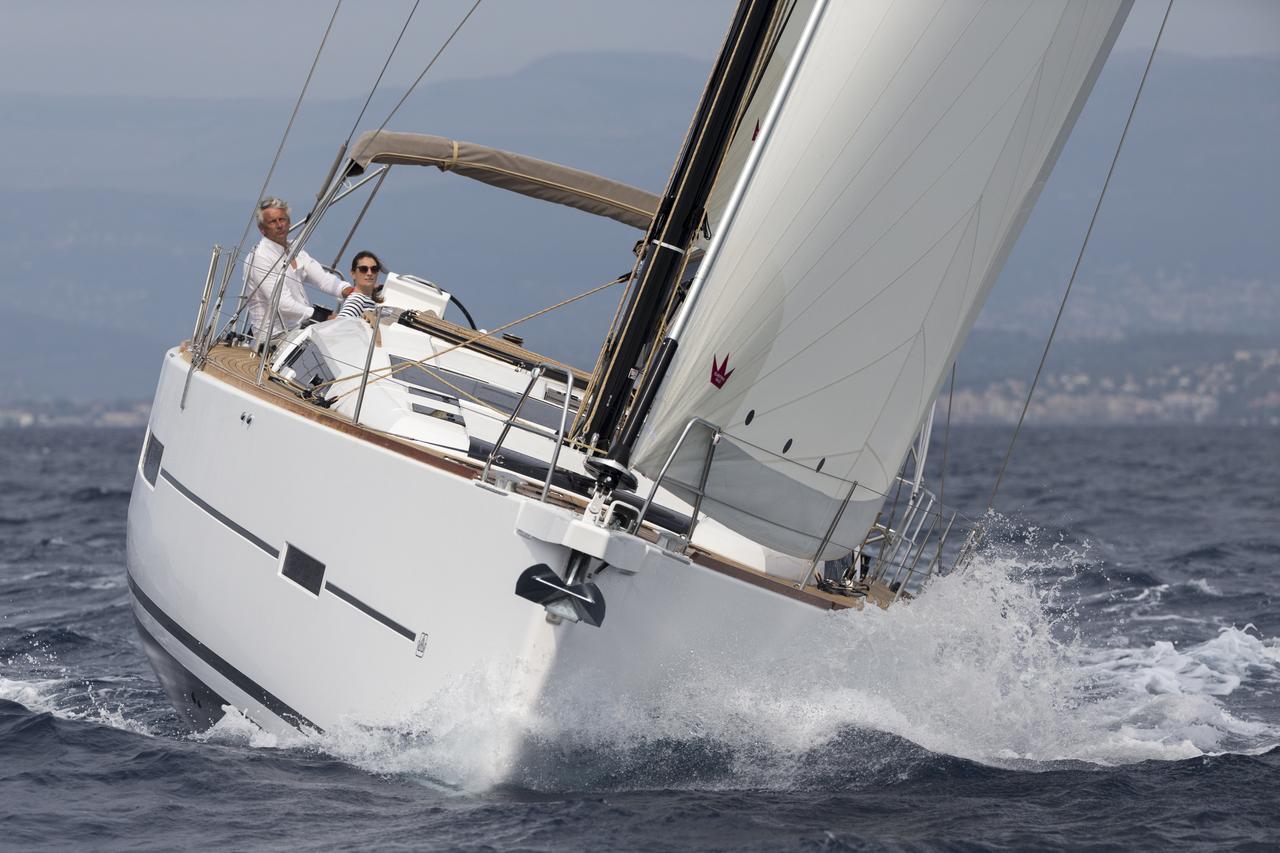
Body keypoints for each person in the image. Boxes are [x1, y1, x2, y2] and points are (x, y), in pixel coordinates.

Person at [242, 197, 350, 334]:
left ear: (289, 222)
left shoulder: (295, 249)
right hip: (274, 336)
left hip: (300, 329)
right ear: (262, 229)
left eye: (282, 219)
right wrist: (321, 316)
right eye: (272, 222)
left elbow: (323, 280)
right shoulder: (260, 257)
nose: (279, 225)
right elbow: (283, 304)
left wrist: (348, 290)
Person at [334, 251, 385, 320]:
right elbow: (340, 322)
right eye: (363, 269)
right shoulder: (356, 300)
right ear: (353, 274)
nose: (369, 273)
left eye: (374, 269)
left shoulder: (372, 300)